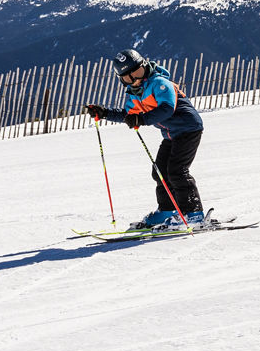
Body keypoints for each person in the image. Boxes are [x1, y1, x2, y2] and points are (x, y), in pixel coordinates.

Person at [84, 49, 206, 229]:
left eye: (138, 73)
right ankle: (167, 210)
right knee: (159, 172)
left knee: (176, 171)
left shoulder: (160, 83)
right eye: (128, 78)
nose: (135, 79)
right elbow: (128, 115)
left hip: (188, 129)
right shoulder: (135, 93)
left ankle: (194, 214)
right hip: (171, 134)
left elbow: (167, 108)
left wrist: (142, 119)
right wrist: (105, 113)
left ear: (145, 66)